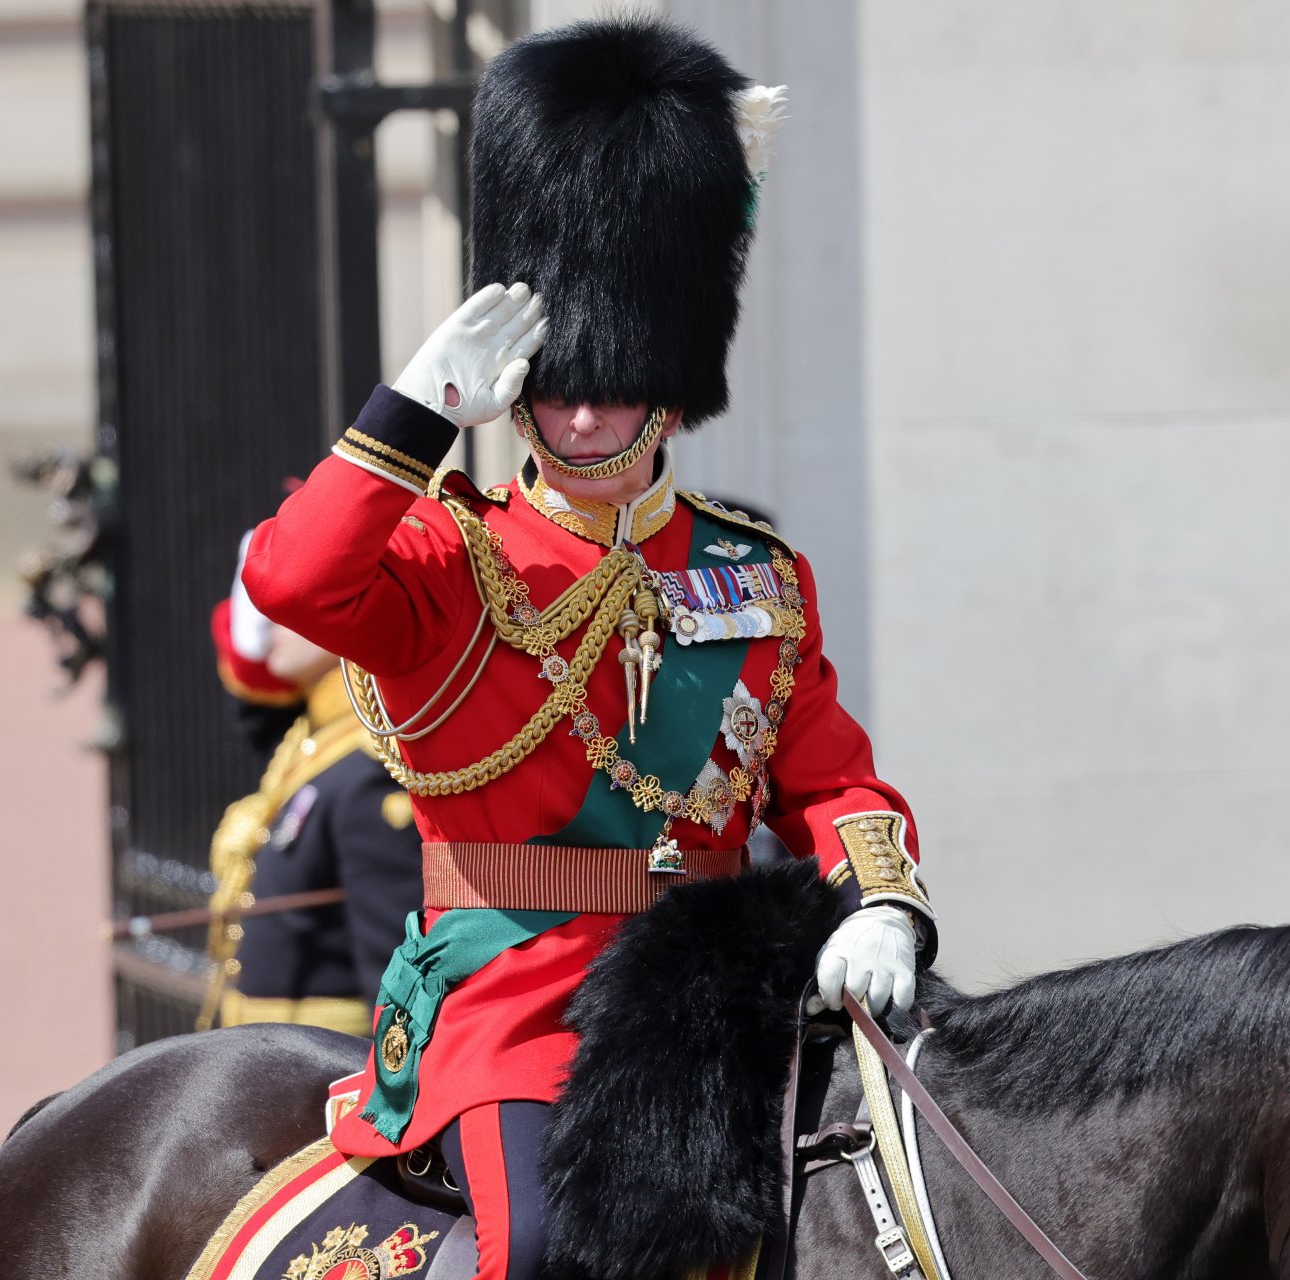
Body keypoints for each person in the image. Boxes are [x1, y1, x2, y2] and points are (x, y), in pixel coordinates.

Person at [242, 17, 936, 1279]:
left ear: (667, 379)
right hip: (520, 998)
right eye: (555, 380)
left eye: (609, 379)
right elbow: (290, 576)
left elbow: (830, 777)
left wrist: (881, 896)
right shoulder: (455, 560)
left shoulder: (755, 576)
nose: (575, 409)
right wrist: (410, 417)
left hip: (718, 997)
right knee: (542, 1255)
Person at [201, 537, 421, 1036]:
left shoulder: (371, 764)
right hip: (272, 1074)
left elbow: (394, 986)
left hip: (324, 1083)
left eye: (288, 594)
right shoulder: (309, 747)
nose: (263, 617)